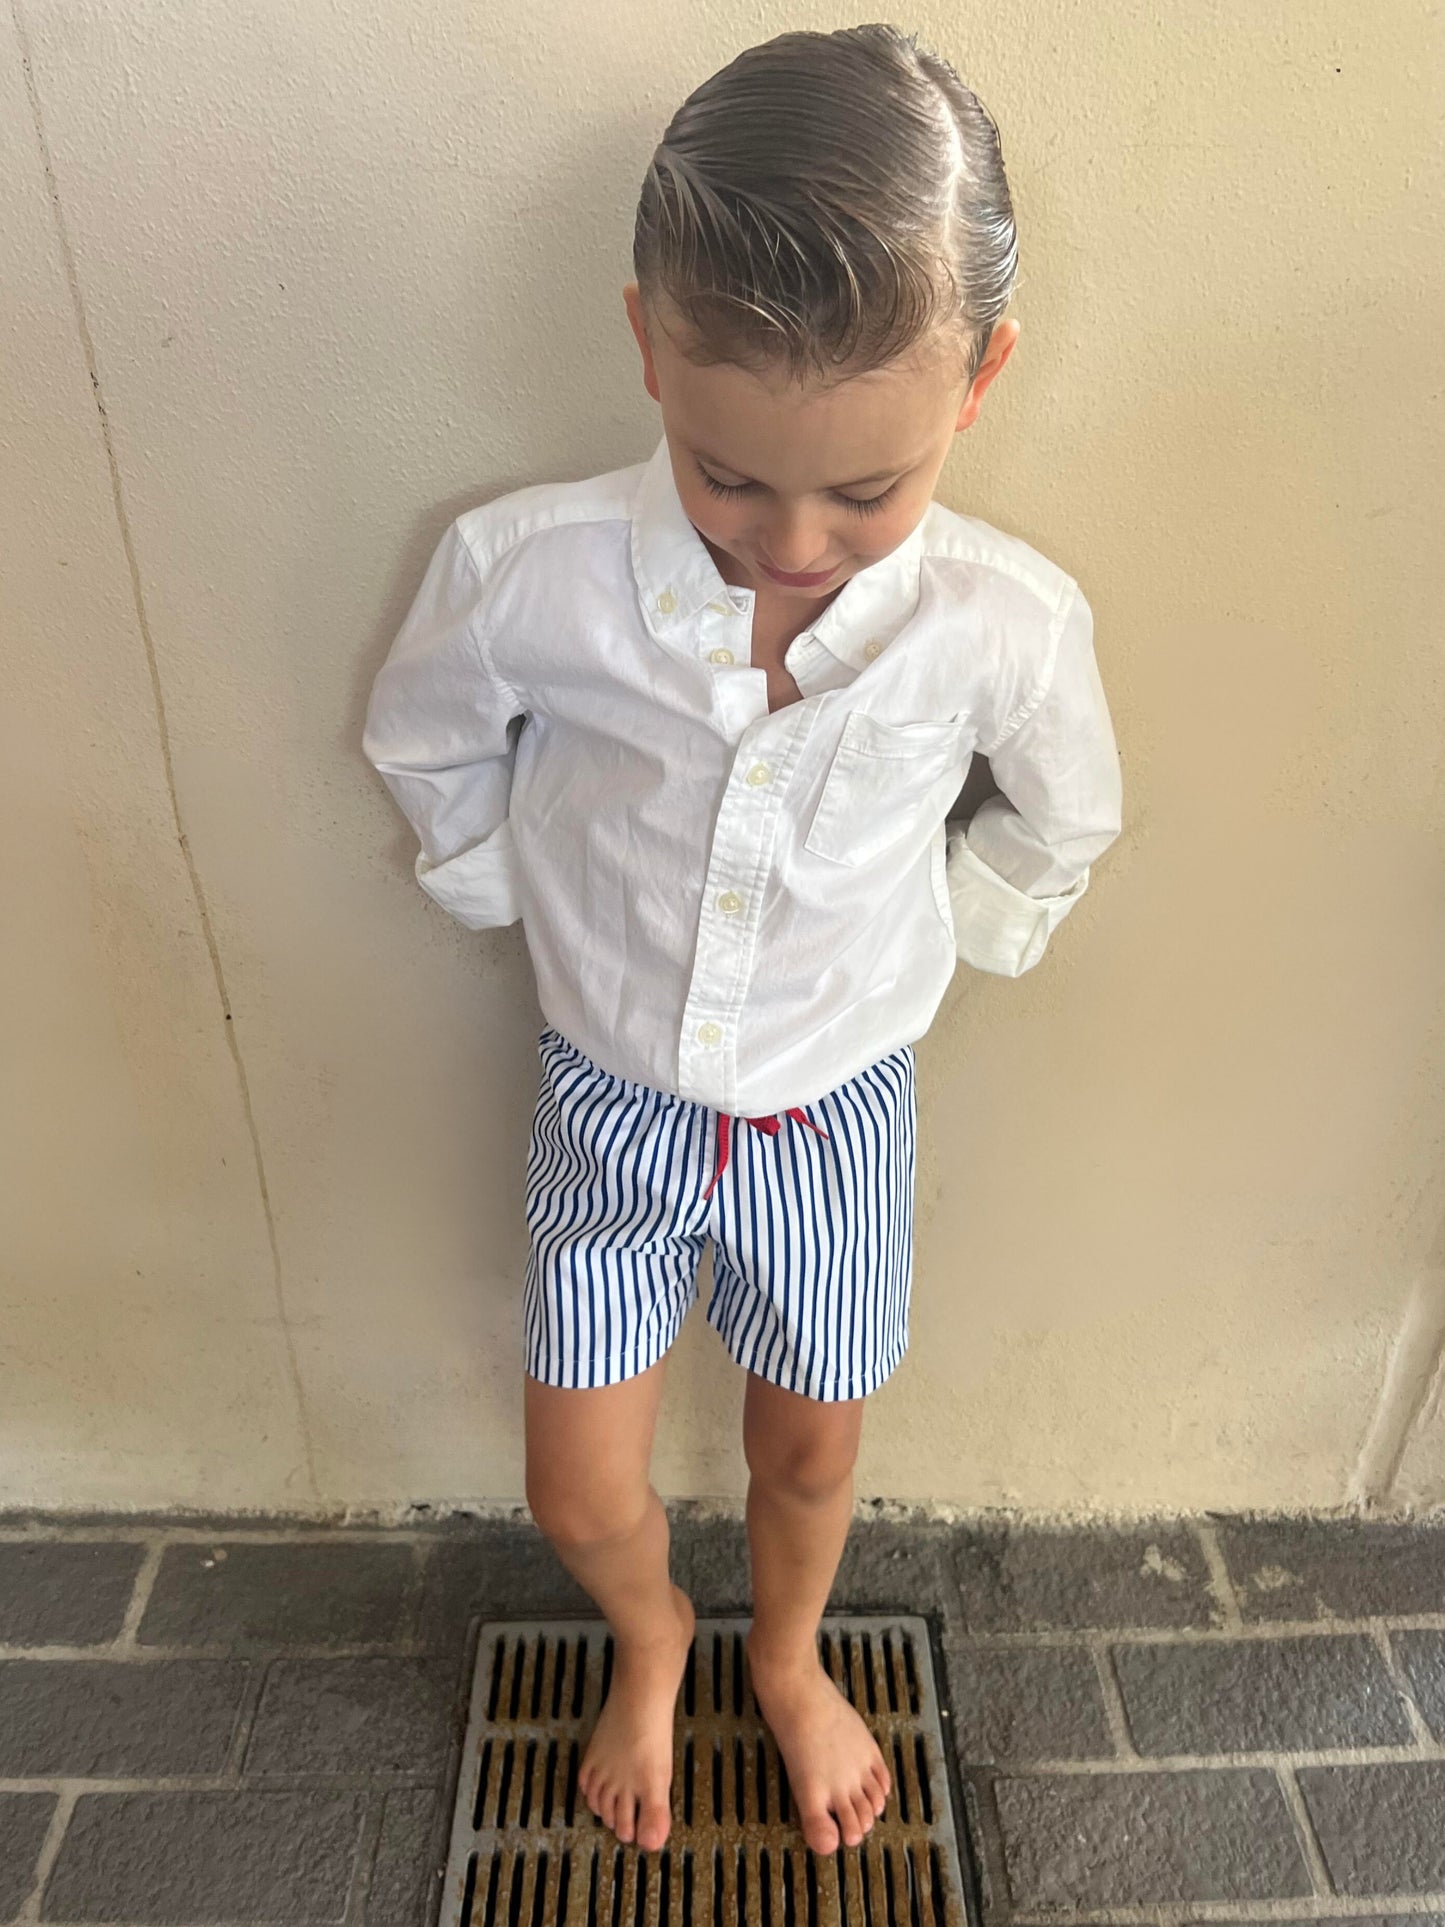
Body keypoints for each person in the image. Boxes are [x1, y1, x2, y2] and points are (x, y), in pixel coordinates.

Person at [362, 22, 1122, 1861]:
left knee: (809, 1450)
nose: (792, 543)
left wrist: (940, 943)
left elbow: (1063, 810)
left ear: (976, 380)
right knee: (577, 1478)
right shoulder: (524, 572)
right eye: (726, 476)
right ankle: (652, 1630)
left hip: (839, 1113)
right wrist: (495, 892)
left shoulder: (998, 624)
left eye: (865, 493)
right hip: (607, 1108)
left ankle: (788, 1653)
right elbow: (430, 735)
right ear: (646, 344)